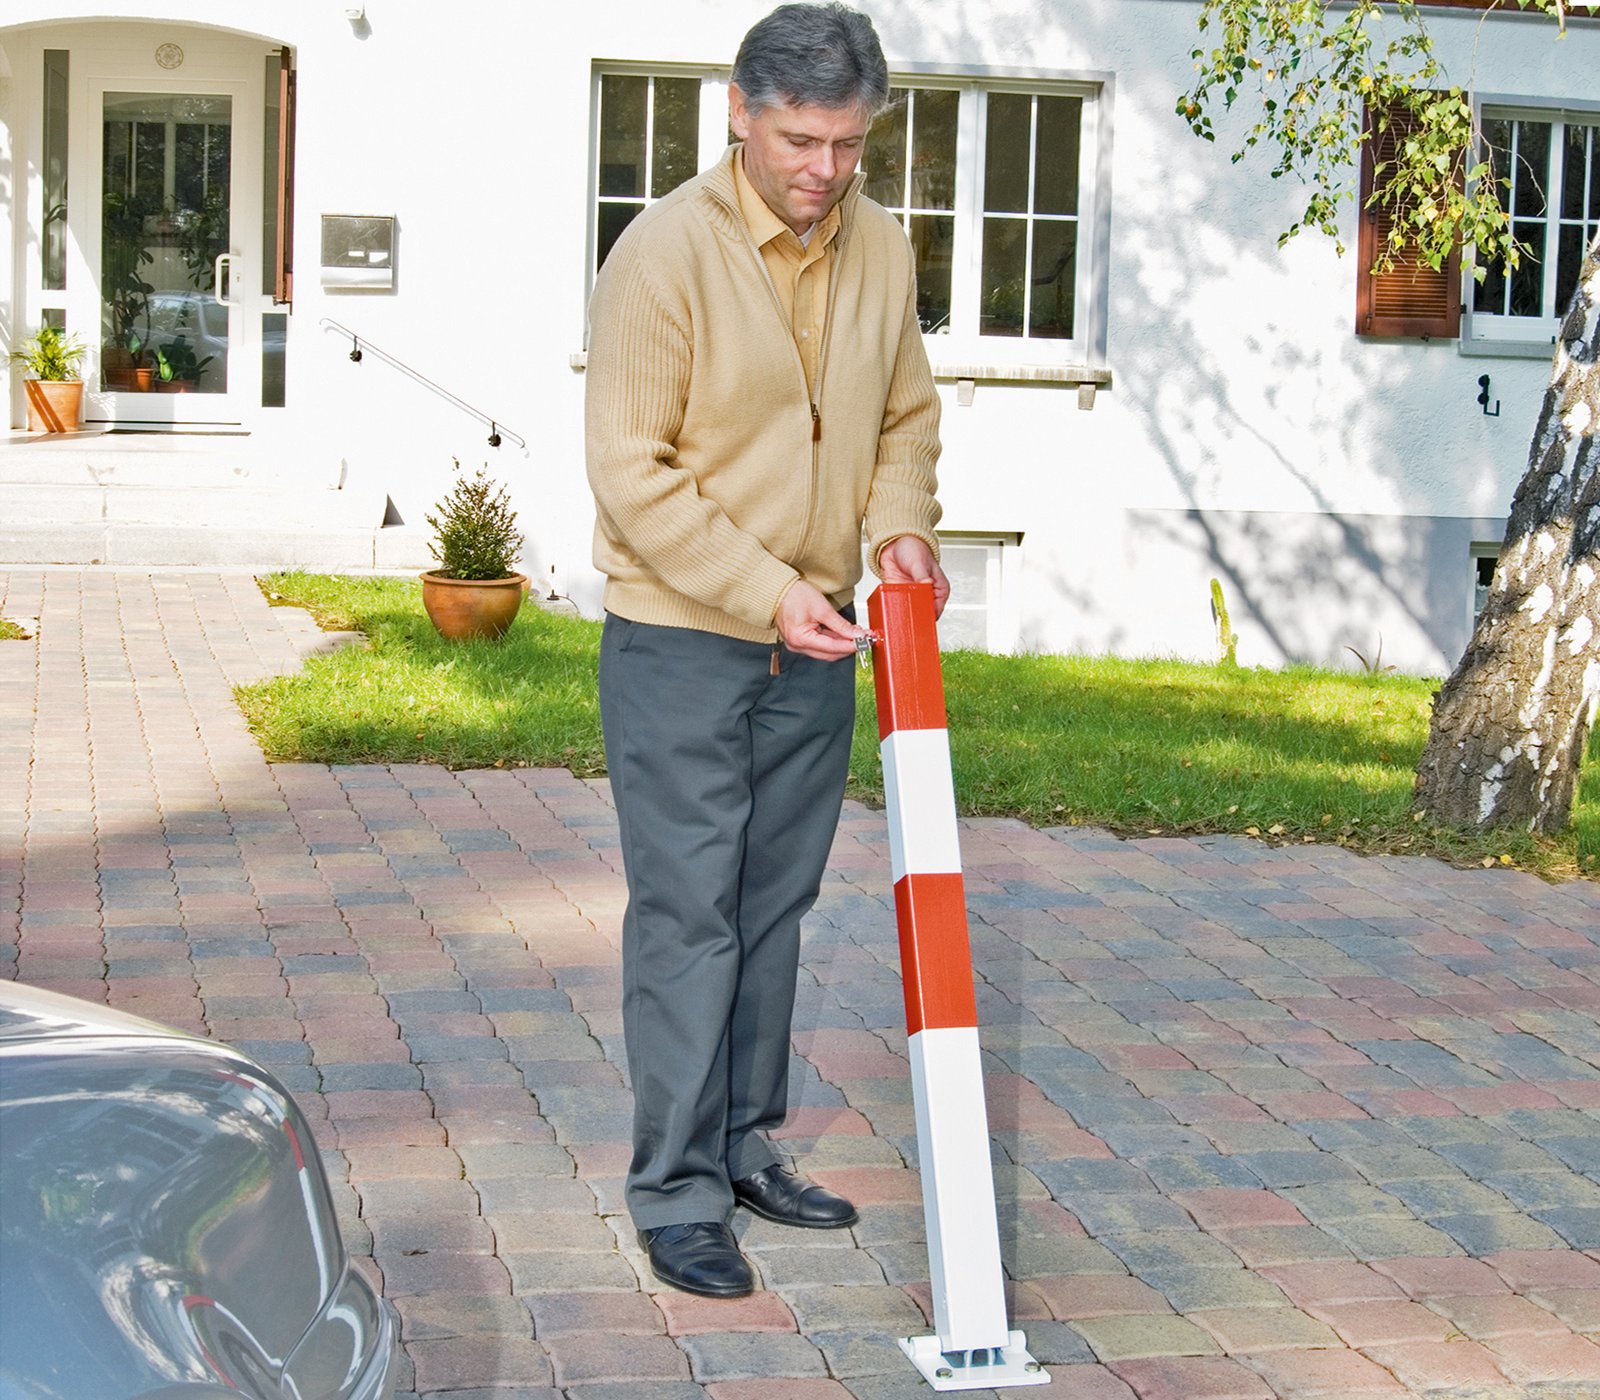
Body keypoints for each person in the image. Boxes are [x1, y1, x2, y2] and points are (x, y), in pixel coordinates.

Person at [585, 0, 949, 1299]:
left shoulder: (884, 250)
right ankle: (675, 1192)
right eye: (801, 141)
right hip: (684, 642)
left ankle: (743, 1146)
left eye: (850, 145)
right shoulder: (661, 260)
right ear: (739, 113)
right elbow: (631, 473)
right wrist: (761, 590)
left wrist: (899, 529)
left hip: (823, 644)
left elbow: (906, 414)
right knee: (690, 920)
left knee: (772, 912)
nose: (825, 171)